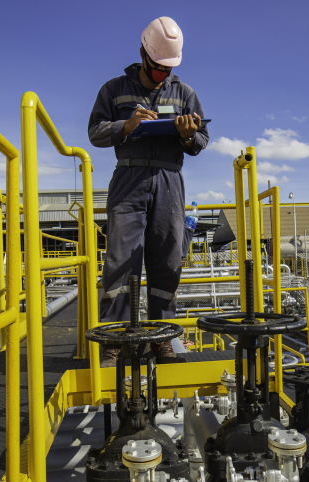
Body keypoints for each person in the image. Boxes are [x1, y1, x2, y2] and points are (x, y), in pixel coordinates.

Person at [88, 17, 209, 367]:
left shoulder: (184, 93)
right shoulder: (114, 89)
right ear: (143, 54)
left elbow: (201, 140)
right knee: (121, 260)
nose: (161, 76)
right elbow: (95, 131)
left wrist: (187, 134)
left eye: (166, 70)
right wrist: (126, 124)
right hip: (129, 180)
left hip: (170, 181)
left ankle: (162, 339)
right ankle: (114, 341)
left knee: (167, 260)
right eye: (156, 68)